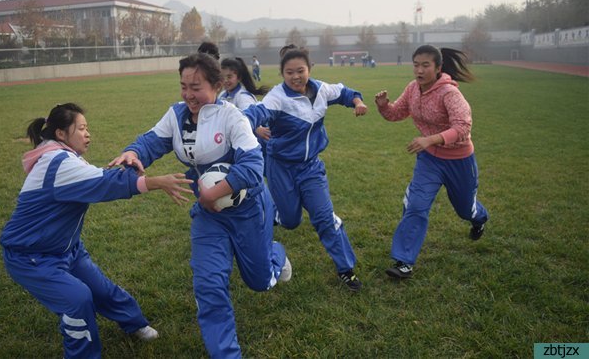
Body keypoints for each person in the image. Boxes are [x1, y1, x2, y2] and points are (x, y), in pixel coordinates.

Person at [108, 53, 291, 358]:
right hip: (209, 217)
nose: (188, 95)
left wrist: (213, 191)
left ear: (217, 85)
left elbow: (253, 164)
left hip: (248, 211)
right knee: (209, 287)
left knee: (260, 282)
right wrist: (133, 152)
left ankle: (276, 254)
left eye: (196, 86)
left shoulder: (231, 117)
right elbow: (151, 141)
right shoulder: (177, 115)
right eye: (183, 86)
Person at [0, 103, 194, 359]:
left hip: (67, 250)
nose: (88, 134)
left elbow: (101, 177)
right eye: (81, 128)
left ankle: (135, 324)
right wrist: (158, 182)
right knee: (78, 300)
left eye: (87, 128)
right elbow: (105, 183)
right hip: (31, 257)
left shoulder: (62, 156)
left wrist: (130, 161)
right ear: (61, 134)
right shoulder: (56, 162)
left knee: (102, 290)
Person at [244, 47, 368, 292]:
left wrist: (358, 101)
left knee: (323, 217)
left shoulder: (321, 89)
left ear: (309, 69)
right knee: (290, 221)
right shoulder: (278, 97)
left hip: (311, 167)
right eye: (289, 72)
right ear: (282, 74)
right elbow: (255, 113)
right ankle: (277, 215)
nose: (295, 76)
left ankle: (346, 269)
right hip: (280, 168)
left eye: (300, 71)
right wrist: (244, 124)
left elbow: (345, 92)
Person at [375, 45, 489, 280]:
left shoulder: (449, 93)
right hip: (429, 160)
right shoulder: (412, 89)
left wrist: (431, 139)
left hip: (459, 160)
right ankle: (404, 262)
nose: (419, 69)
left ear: (438, 68)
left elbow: (463, 126)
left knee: (465, 209)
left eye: (425, 65)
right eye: (416, 64)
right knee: (416, 205)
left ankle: (479, 218)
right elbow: (397, 113)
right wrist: (384, 106)